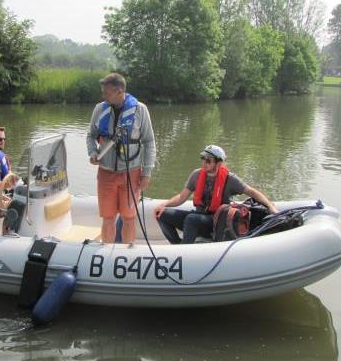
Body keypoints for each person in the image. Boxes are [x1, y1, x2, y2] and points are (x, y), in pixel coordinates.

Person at [154, 144, 278, 244]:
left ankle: (184, 252)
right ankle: (177, 245)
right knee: (161, 214)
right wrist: (164, 204)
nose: (204, 162)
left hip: (216, 223)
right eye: (203, 158)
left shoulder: (230, 179)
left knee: (191, 219)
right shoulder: (196, 175)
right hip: (198, 217)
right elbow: (181, 197)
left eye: (208, 160)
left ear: (218, 163)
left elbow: (251, 191)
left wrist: (270, 206)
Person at [87, 73, 156, 243]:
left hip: (131, 174)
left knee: (129, 217)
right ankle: (107, 254)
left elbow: (149, 142)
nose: (103, 95)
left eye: (107, 92)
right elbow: (90, 136)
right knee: (108, 217)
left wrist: (147, 173)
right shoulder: (99, 109)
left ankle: (127, 253)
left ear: (120, 91)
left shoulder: (140, 110)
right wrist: (92, 152)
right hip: (106, 173)